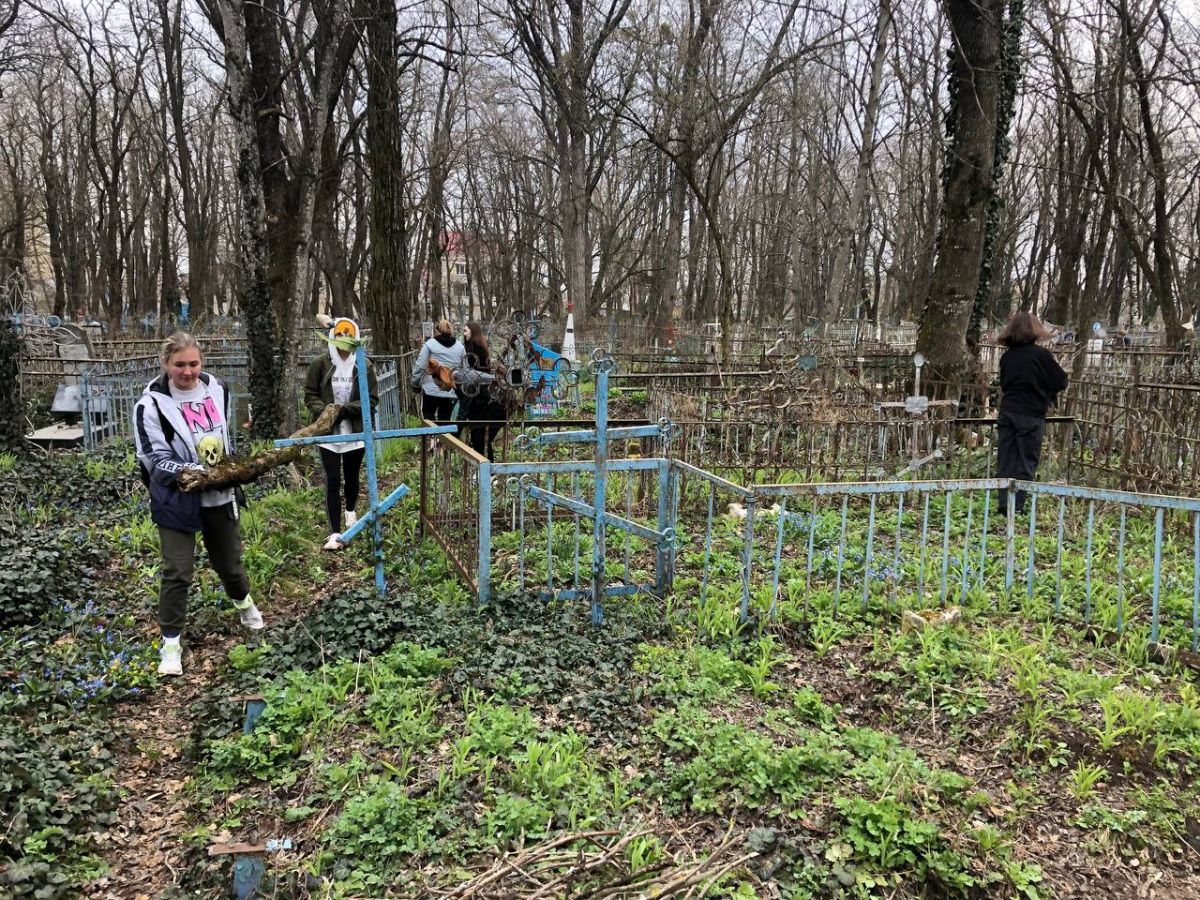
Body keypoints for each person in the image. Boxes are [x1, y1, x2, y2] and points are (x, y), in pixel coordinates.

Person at [133, 333, 264, 677]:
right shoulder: (151, 406)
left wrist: (227, 472)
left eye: (193, 363)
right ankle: (171, 644)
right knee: (177, 571)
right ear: (165, 364)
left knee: (230, 564)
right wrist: (192, 473)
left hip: (219, 493)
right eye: (180, 365)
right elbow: (153, 457)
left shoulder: (216, 388)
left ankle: (245, 604)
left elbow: (223, 437)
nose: (188, 372)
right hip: (177, 498)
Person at [305, 317, 378, 551]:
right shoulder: (320, 364)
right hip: (328, 432)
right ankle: (335, 532)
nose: (343, 348)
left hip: (356, 430)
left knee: (352, 476)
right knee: (333, 479)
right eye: (339, 342)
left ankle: (350, 511)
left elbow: (372, 399)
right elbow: (311, 395)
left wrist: (344, 410)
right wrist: (326, 412)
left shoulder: (364, 366)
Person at [996, 311, 1069, 514]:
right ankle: (1017, 507)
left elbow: (1004, 383)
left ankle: (1004, 505)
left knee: (1006, 460)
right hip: (1031, 414)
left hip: (1008, 412)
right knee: (1026, 460)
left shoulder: (1007, 357)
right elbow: (1061, 381)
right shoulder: (1041, 356)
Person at [457, 321, 505, 460]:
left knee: (480, 435)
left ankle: (487, 468)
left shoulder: (473, 347)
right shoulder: (479, 345)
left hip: (480, 394)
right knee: (480, 435)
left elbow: (476, 374)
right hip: (481, 393)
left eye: (466, 331)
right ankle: (485, 467)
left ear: (473, 331)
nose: (464, 333)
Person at [411, 318, 464, 422]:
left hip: (430, 389)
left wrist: (415, 383)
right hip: (449, 390)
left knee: (428, 418)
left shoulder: (430, 344)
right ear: (451, 330)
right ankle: (442, 437)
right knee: (445, 419)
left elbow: (421, 365)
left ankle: (431, 437)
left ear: (437, 330)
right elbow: (464, 368)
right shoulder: (460, 346)